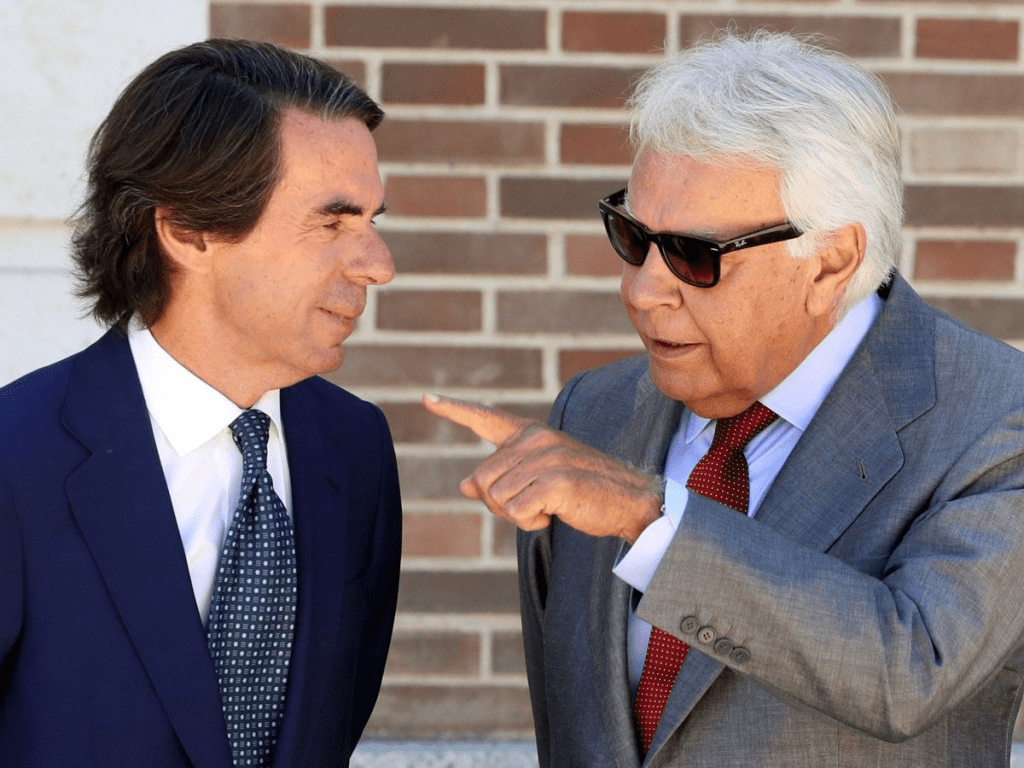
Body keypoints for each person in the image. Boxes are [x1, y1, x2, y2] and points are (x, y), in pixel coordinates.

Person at [425, 30, 1024, 767]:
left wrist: (651, 517)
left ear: (830, 263)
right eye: (632, 236)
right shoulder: (593, 413)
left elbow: (910, 671)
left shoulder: (994, 418)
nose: (642, 289)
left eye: (694, 255)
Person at [0, 39, 401, 767]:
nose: (379, 264)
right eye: (332, 222)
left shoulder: (355, 447)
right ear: (187, 229)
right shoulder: (16, 456)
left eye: (373, 221)